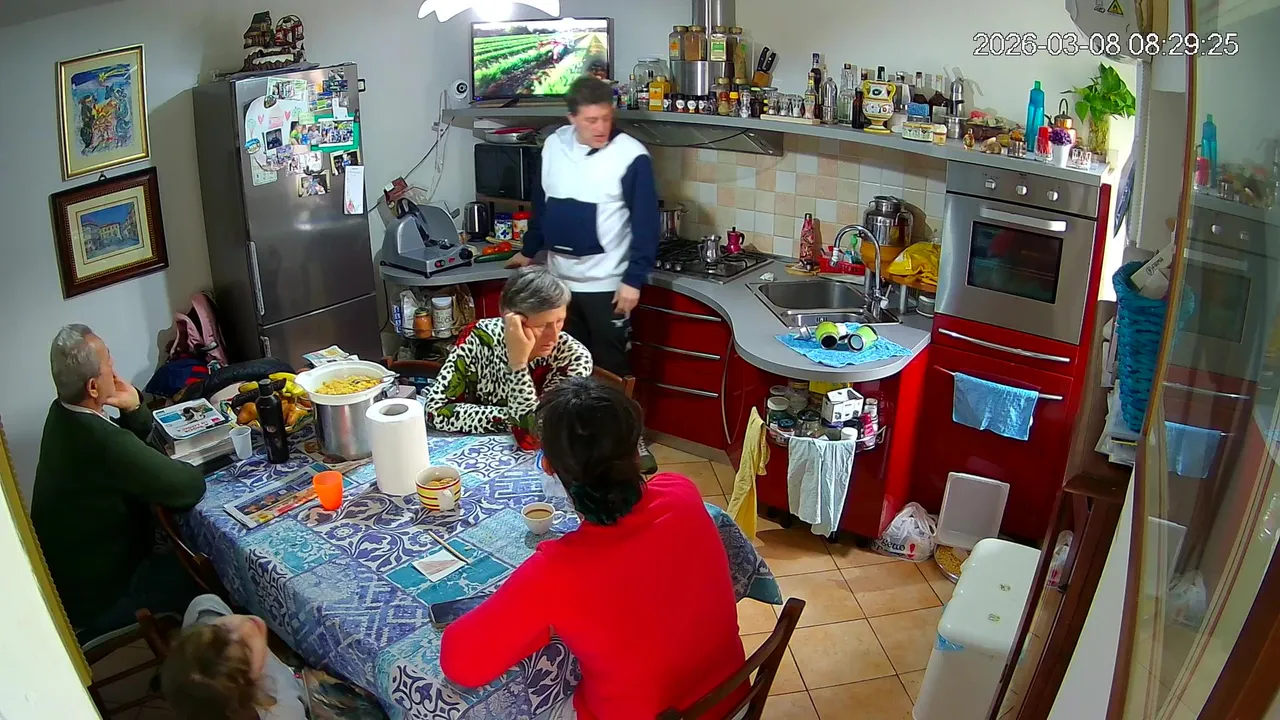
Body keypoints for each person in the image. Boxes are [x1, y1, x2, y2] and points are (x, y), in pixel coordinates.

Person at [440, 378, 748, 720]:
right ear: (637, 452)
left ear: (548, 467)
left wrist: (544, 622)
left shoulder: (556, 572)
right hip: (732, 700)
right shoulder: (682, 493)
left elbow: (460, 663)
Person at [506, 75, 660, 471]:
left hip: (608, 284)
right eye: (591, 120)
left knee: (612, 370)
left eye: (607, 118)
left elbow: (646, 224)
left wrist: (633, 279)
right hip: (558, 284)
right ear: (571, 117)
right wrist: (528, 250)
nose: (601, 127)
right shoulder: (554, 146)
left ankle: (631, 444)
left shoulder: (631, 156)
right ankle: (575, 445)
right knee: (564, 368)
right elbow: (541, 205)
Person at [31, 324, 206, 642]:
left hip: (68, 587)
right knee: (204, 567)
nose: (113, 366)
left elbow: (127, 455)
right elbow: (188, 486)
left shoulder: (61, 413)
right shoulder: (101, 441)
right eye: (108, 361)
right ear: (93, 387)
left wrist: (134, 408)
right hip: (101, 599)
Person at [422, 267, 593, 449]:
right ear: (509, 319)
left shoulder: (573, 357)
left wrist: (518, 365)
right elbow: (434, 411)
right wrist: (515, 420)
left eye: (559, 321)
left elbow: (534, 436)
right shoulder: (480, 335)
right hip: (479, 450)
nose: (553, 336)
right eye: (542, 326)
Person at [161, 594, 307, 720]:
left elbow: (203, 602)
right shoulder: (286, 710)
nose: (245, 632)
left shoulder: (193, 687)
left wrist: (221, 624)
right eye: (247, 648)